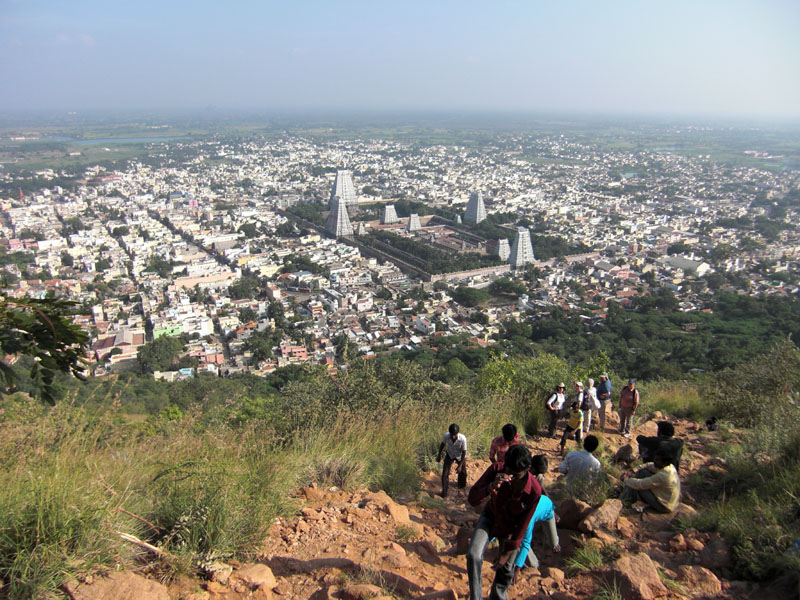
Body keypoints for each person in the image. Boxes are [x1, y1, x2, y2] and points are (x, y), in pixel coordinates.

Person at [467, 444, 542, 600]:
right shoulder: (496, 469)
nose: (510, 476)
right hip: (491, 516)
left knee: (506, 569)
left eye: (516, 474)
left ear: (528, 468)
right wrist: (490, 487)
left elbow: (524, 523)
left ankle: (498, 596)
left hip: (511, 527)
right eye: (508, 470)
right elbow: (473, 498)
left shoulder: (534, 491)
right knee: (473, 555)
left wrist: (507, 551)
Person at [513, 494, 561, 581]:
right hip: (538, 510)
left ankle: (557, 563)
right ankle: (535, 565)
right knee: (519, 540)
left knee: (554, 545)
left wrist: (517, 569)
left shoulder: (527, 518)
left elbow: (526, 543)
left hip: (548, 510)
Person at [621, 447, 681, 513]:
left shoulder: (663, 475)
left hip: (664, 506)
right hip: (669, 502)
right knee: (643, 472)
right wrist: (633, 470)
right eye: (655, 459)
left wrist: (625, 480)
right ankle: (628, 495)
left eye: (657, 460)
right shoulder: (670, 467)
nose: (655, 461)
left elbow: (640, 484)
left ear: (664, 462)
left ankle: (624, 499)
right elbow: (649, 465)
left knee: (638, 487)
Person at [437, 423, 467, 498]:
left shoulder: (463, 438)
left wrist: (460, 466)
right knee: (445, 474)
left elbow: (464, 451)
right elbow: (442, 445)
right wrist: (439, 455)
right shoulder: (446, 436)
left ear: (457, 433)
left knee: (463, 472)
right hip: (450, 454)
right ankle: (444, 492)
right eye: (451, 434)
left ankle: (461, 486)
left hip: (460, 455)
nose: (453, 436)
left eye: (454, 435)